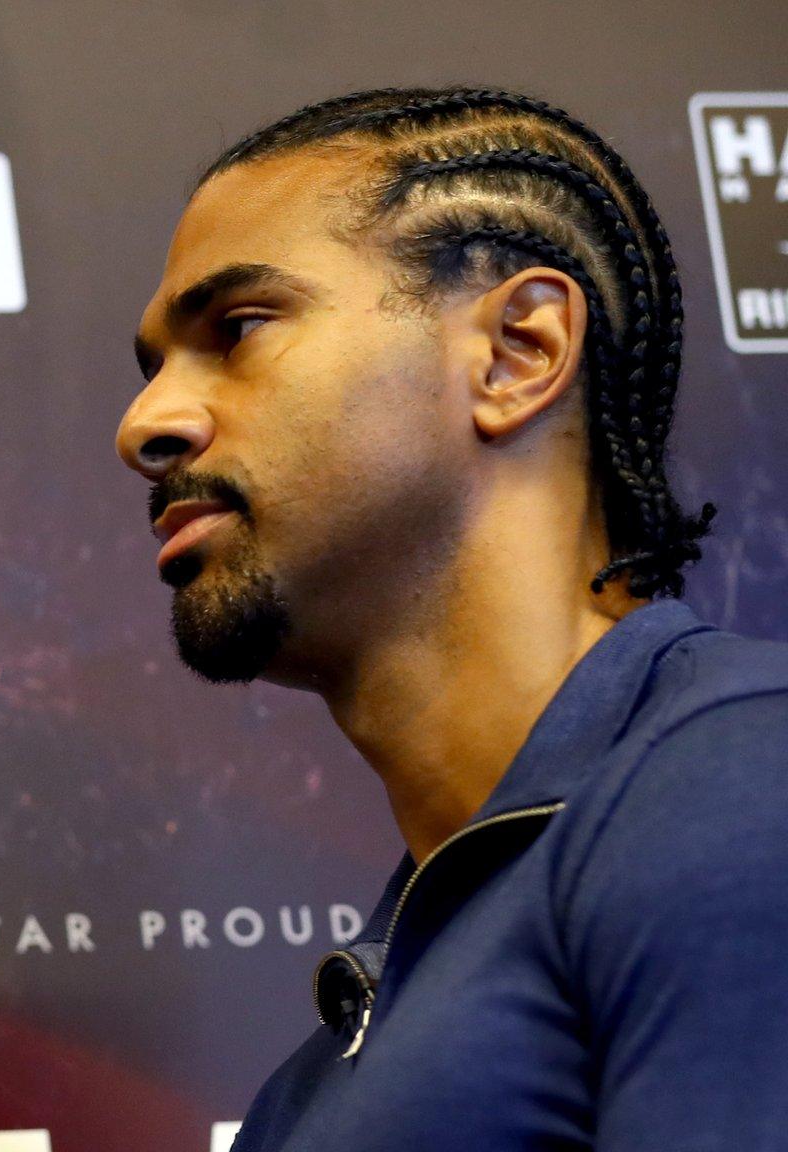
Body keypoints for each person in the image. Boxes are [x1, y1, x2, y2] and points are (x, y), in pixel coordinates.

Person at [121, 87, 788, 1147]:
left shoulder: (739, 783)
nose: (144, 425)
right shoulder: (298, 1103)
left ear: (516, 351)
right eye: (154, 365)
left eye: (237, 328)